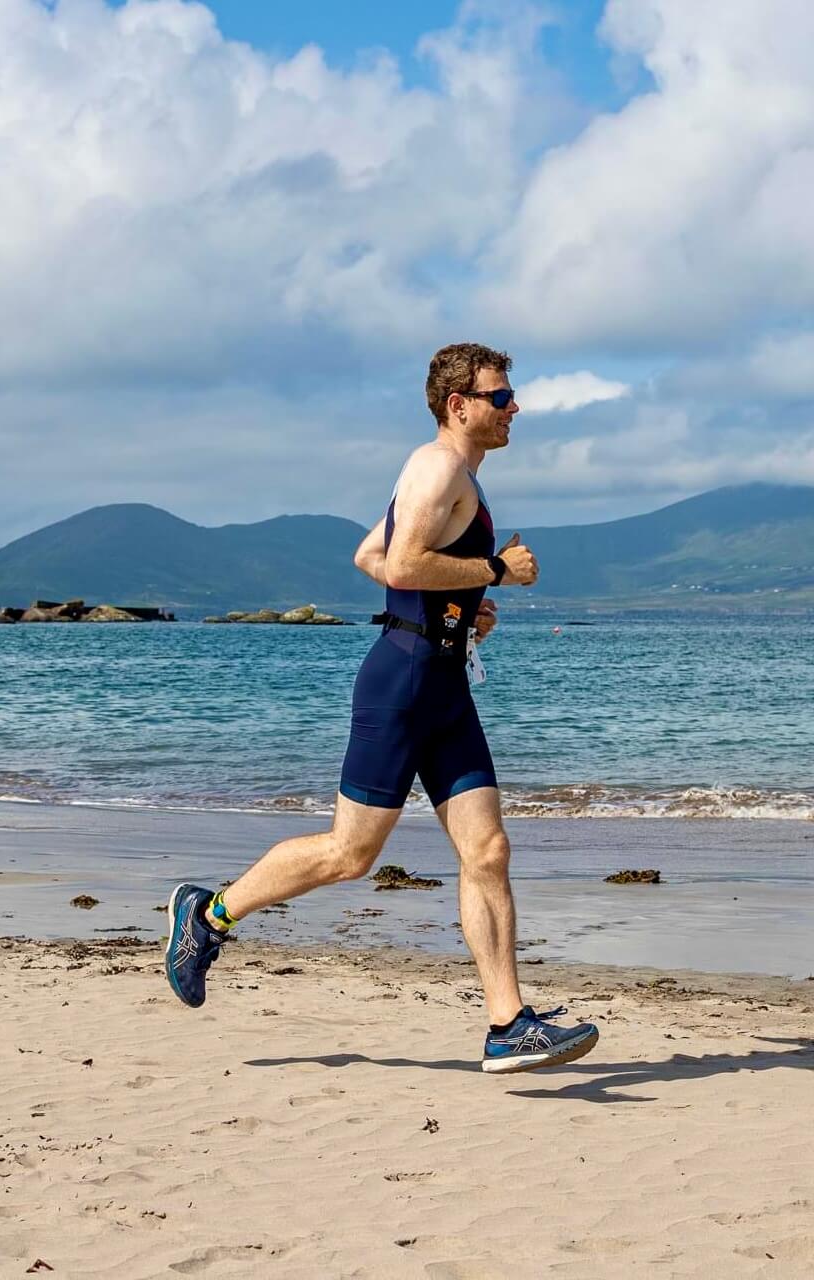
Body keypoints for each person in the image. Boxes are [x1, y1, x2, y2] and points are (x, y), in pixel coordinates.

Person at [164, 342, 598, 1074]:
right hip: (400, 686)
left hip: (445, 682)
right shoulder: (435, 467)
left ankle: (506, 1026)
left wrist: (461, 606)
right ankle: (206, 916)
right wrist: (495, 570)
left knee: (487, 851)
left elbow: (370, 555)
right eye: (499, 396)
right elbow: (397, 566)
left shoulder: (456, 477)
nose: (512, 407)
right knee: (350, 856)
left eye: (509, 394)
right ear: (458, 405)